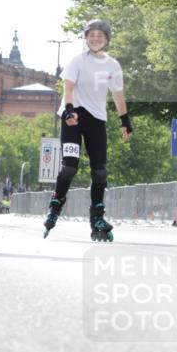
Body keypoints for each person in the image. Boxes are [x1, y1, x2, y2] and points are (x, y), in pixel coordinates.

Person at [43, 19, 132, 242]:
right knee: (69, 167)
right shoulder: (77, 61)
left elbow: (118, 95)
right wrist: (69, 110)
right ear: (86, 38)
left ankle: (97, 218)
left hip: (96, 119)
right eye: (91, 35)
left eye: (100, 35)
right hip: (73, 118)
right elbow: (68, 88)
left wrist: (125, 120)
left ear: (106, 39)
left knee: (100, 172)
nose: (95, 39)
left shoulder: (112, 65)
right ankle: (55, 206)